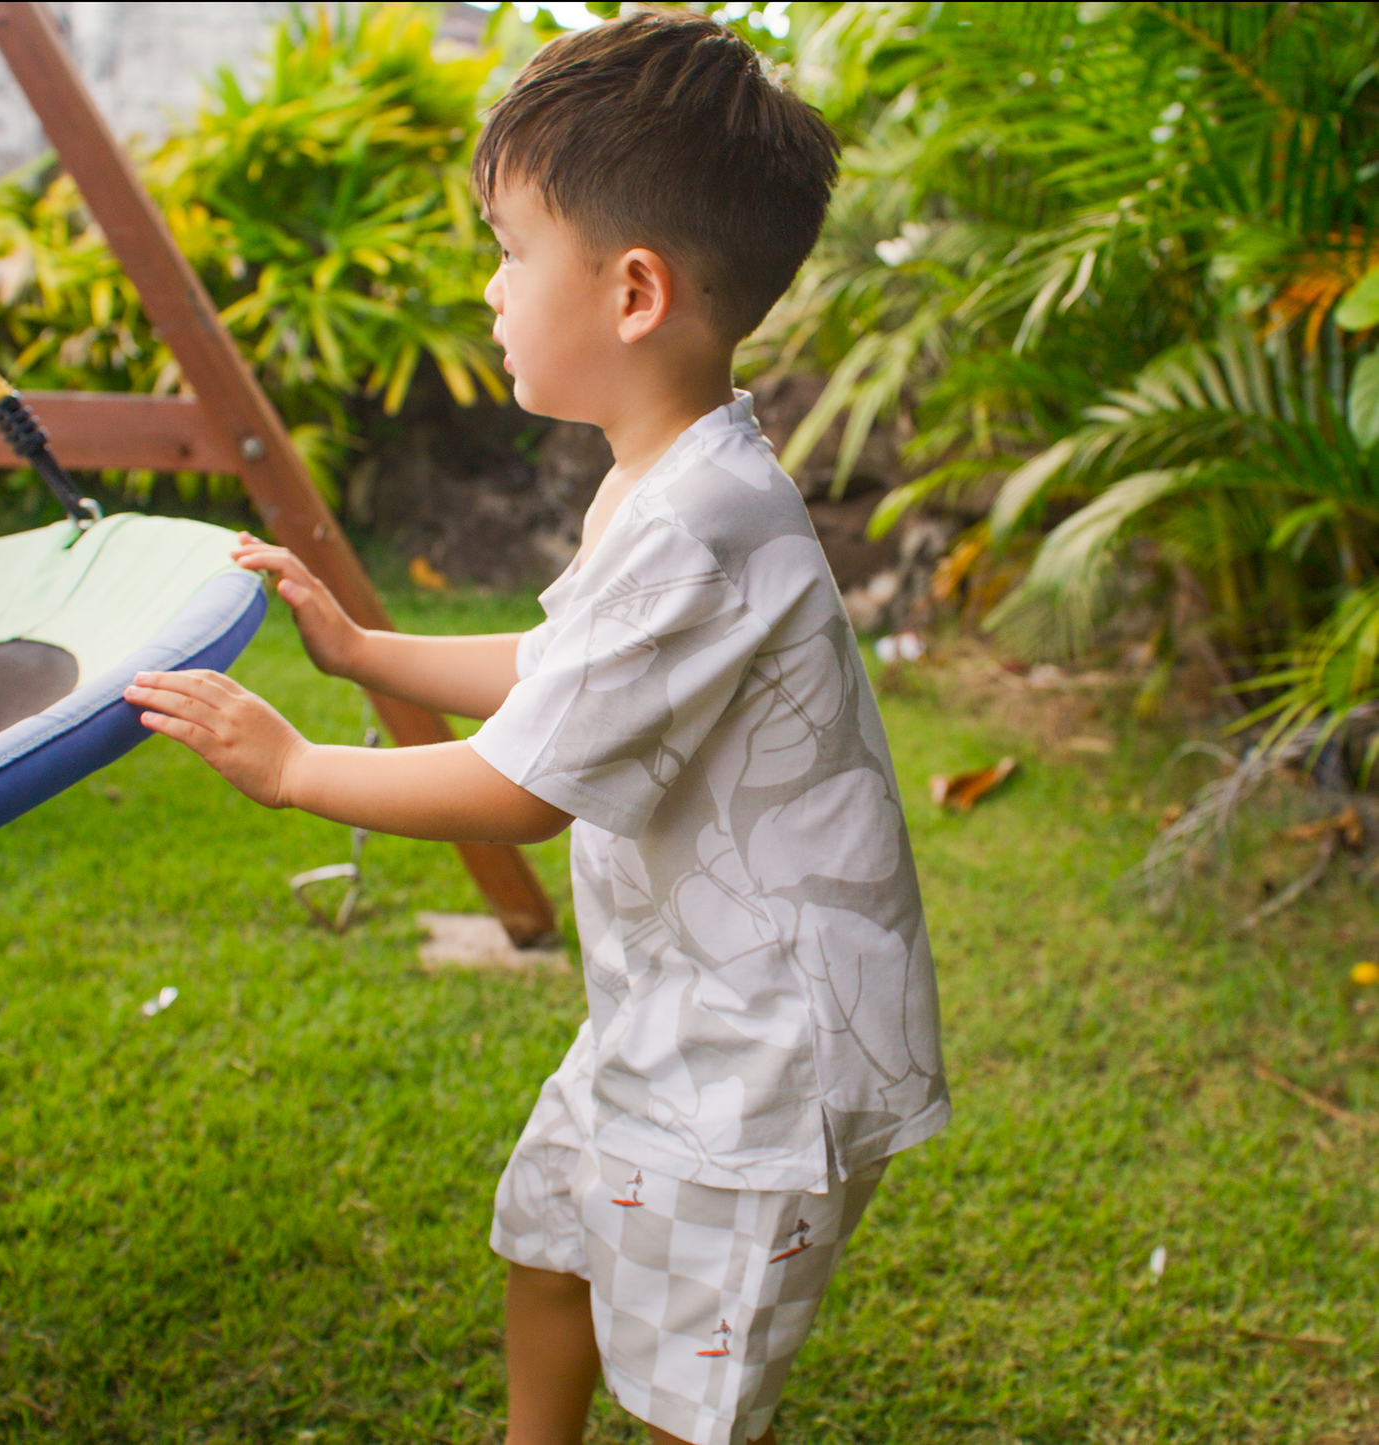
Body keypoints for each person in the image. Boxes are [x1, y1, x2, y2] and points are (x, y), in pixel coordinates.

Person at [125, 11, 949, 1444]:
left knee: (693, 1390)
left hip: (763, 1069)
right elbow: (565, 667)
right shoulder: (665, 477)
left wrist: (300, 766)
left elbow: (523, 788)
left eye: (509, 250)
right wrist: (363, 646)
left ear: (632, 291)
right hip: (671, 1015)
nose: (490, 289)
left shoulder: (701, 521)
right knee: (550, 1241)